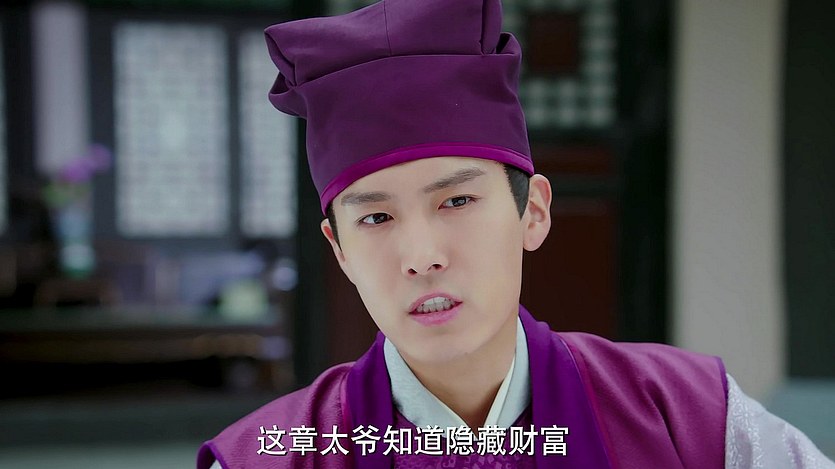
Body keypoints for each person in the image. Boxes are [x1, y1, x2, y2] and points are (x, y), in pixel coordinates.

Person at [198, 0, 834, 467]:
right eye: (376, 217)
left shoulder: (689, 416)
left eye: (457, 200)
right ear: (338, 249)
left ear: (534, 212)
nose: (422, 257)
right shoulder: (272, 455)